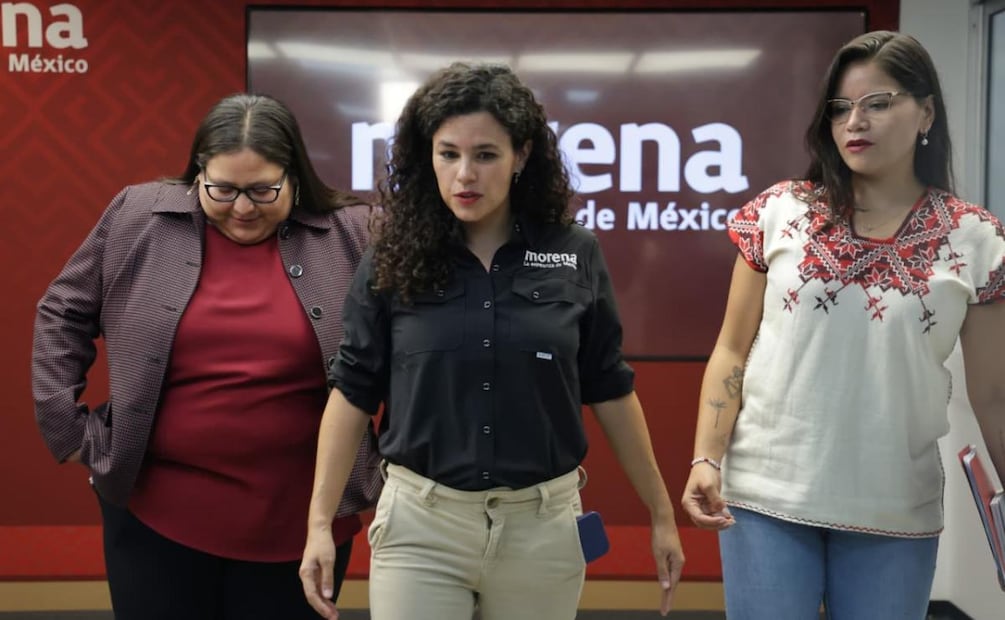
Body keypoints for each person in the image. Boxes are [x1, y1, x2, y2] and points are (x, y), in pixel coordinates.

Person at [299, 62, 685, 620]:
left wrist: (660, 511)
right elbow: (353, 390)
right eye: (448, 153)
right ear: (425, 155)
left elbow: (610, 386)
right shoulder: (390, 256)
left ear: (521, 155)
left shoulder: (573, 251)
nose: (464, 175)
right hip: (420, 525)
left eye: (486, 155)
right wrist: (318, 524)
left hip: (542, 528)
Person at [681, 30, 1005, 620]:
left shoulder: (975, 239)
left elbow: (994, 395)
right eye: (841, 108)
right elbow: (732, 350)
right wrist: (707, 457)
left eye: (878, 103)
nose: (856, 121)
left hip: (895, 508)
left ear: (926, 111)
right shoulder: (780, 212)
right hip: (766, 495)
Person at [31, 93, 380, 620]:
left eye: (263, 190)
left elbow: (419, 343)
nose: (242, 208)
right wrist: (65, 426)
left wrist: (394, 459)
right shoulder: (138, 216)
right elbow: (62, 311)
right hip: (154, 515)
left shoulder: (353, 234)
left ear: (296, 177)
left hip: (304, 524)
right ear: (198, 173)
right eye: (222, 189)